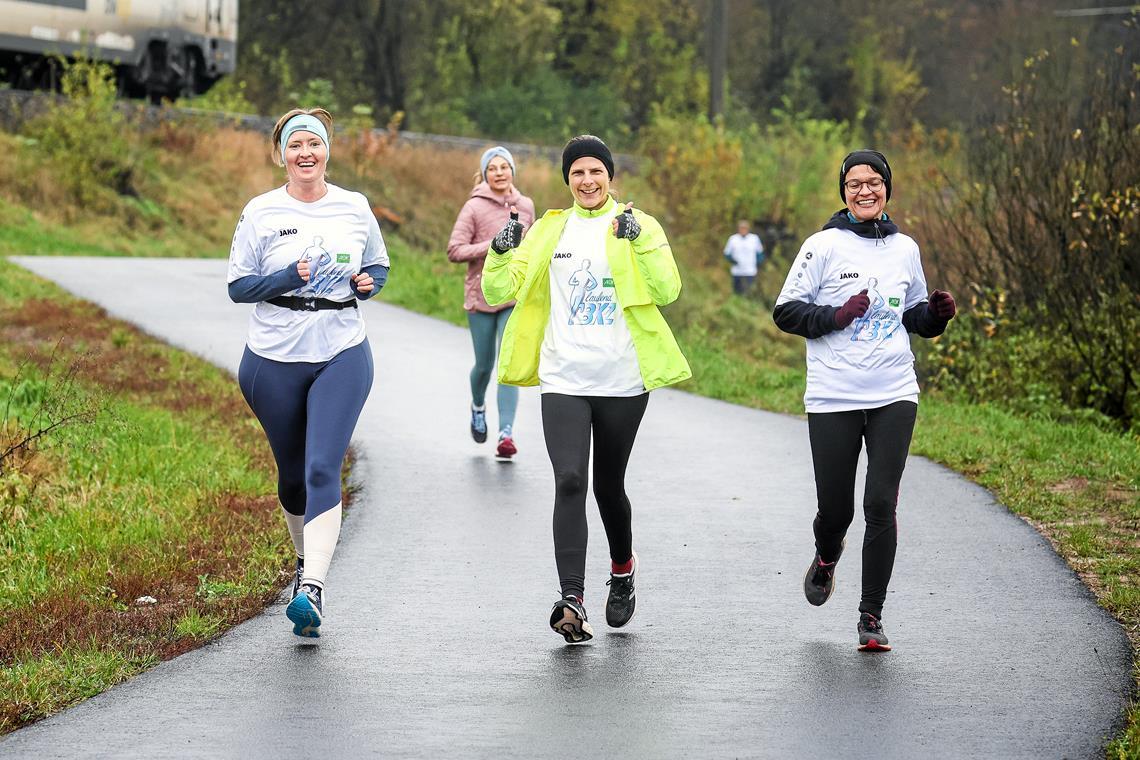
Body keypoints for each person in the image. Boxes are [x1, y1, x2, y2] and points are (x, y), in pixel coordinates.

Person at [482, 135, 691, 644]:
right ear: (567, 180)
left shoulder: (636, 226)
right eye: (577, 173)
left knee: (608, 486)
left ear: (611, 177)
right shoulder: (551, 230)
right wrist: (497, 251)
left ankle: (622, 568)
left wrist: (638, 238)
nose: (588, 181)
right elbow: (496, 290)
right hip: (564, 378)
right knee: (570, 479)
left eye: (596, 171)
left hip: (623, 379)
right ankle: (571, 598)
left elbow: (668, 290)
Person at [772, 149, 956, 652]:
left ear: (887, 189)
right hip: (833, 394)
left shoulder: (905, 249)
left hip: (894, 391)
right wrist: (836, 315)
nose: (865, 190)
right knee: (836, 511)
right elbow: (785, 312)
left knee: (881, 502)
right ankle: (827, 555)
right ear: (844, 192)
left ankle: (870, 616)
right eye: (855, 183)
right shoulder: (822, 246)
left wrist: (935, 316)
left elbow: (912, 314)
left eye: (874, 182)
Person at [226, 107, 390, 639]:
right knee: (293, 477)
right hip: (272, 357)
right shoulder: (261, 211)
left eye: (314, 145)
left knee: (323, 467)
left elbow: (379, 265)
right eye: (295, 145)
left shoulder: (354, 206)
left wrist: (369, 283)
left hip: (341, 346)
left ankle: (312, 587)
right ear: (281, 154)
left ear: (327, 151)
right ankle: (304, 563)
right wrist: (285, 275)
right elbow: (238, 287)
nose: (305, 154)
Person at [447, 146, 536, 459]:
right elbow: (455, 250)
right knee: (484, 365)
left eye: (505, 167)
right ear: (485, 174)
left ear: (513, 171)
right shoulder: (473, 208)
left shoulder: (525, 206)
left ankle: (506, 433)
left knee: (508, 366)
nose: (500, 172)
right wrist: (493, 245)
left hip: (513, 295)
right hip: (481, 295)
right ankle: (478, 405)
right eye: (493, 168)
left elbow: (530, 249)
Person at [724, 219, 764, 295]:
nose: (743, 230)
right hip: (737, 271)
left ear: (748, 229)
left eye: (745, 228)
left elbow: (760, 253)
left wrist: (758, 263)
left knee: (749, 291)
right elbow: (727, 253)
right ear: (738, 229)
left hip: (750, 271)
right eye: (741, 228)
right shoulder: (733, 239)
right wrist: (733, 261)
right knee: (737, 291)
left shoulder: (754, 238)